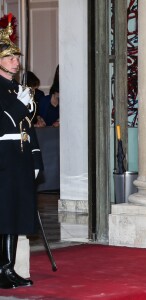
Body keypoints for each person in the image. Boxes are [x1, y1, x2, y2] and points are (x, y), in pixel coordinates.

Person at [0, 15, 43, 288]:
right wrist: (19, 105)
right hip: (4, 157)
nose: (16, 61)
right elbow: (5, 121)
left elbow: (29, 127)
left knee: (16, 215)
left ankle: (9, 267)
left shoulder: (18, 88)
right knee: (5, 215)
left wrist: (36, 156)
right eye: (10, 57)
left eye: (17, 57)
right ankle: (3, 269)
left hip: (21, 156)